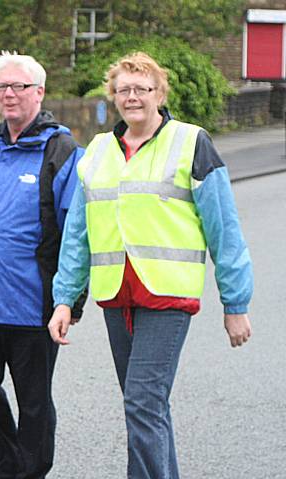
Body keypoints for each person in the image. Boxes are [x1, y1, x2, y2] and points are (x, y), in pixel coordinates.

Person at [49, 52, 253, 479]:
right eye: (123, 89)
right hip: (115, 296)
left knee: (141, 401)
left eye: (142, 89)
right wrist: (65, 299)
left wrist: (236, 304)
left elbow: (224, 229)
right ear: (113, 97)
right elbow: (77, 233)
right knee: (147, 405)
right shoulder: (97, 153)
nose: (132, 97)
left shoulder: (191, 142)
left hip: (167, 294)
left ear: (159, 94)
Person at [0, 51, 87, 479]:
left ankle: (29, 470)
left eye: (18, 86)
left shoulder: (62, 151)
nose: (9, 94)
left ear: (39, 93)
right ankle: (12, 457)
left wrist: (69, 302)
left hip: (32, 305)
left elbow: (76, 233)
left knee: (34, 402)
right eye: (2, 87)